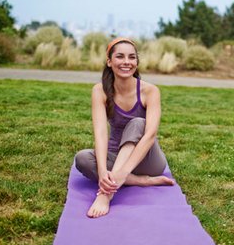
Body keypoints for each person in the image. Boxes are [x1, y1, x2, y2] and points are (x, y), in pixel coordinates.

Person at [74, 37, 174, 218]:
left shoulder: (150, 91)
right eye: (120, 57)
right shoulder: (100, 90)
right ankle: (141, 181)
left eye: (132, 57)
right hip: (116, 156)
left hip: (148, 160)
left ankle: (107, 193)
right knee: (82, 158)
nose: (127, 62)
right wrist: (103, 171)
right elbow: (101, 133)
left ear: (137, 62)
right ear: (109, 61)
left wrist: (119, 174)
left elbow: (150, 135)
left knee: (137, 123)